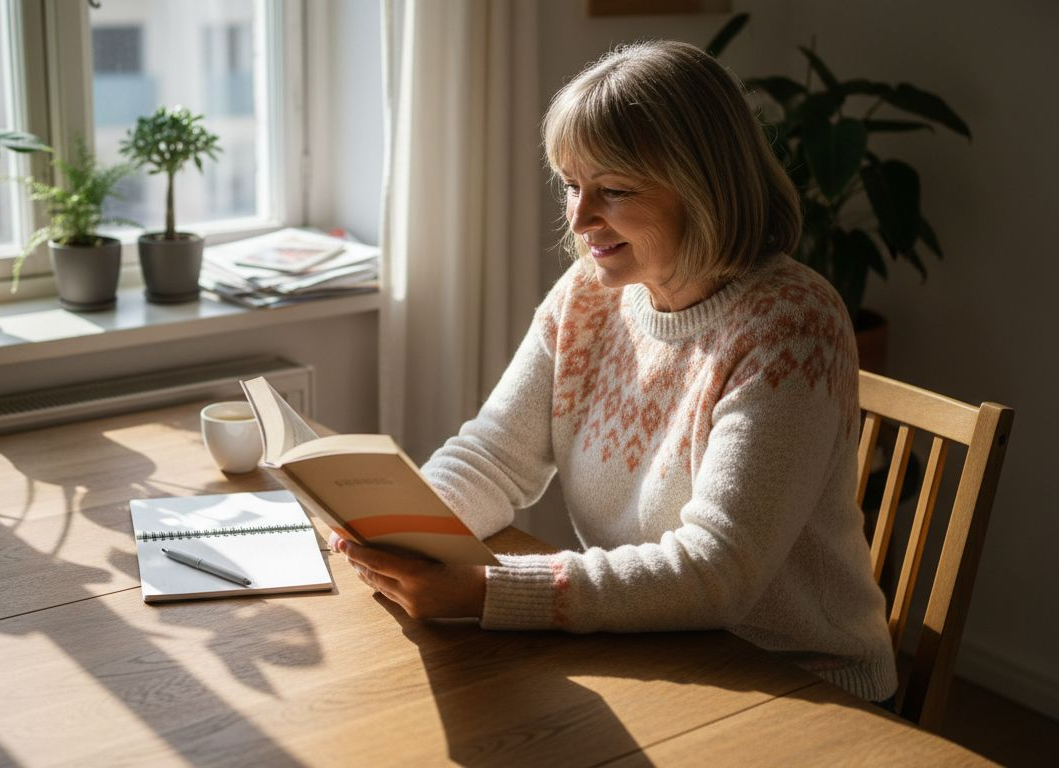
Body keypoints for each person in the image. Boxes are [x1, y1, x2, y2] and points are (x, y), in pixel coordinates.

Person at [330, 39, 898, 702]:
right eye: (572, 186)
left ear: (706, 189)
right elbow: (494, 456)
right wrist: (401, 530)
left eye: (615, 190)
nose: (579, 218)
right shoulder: (589, 294)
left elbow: (718, 572)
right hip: (660, 650)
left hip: (801, 683)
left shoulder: (791, 323)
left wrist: (487, 590)